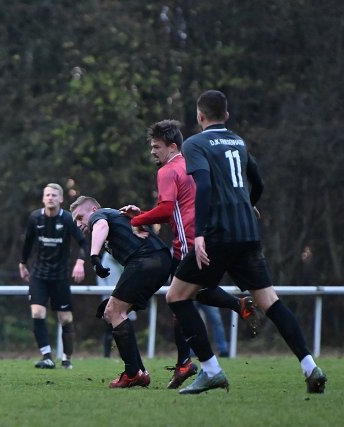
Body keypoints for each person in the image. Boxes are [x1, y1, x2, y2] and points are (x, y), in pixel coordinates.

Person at [165, 90, 326, 394]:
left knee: (176, 297)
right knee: (270, 302)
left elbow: (205, 187)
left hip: (218, 234)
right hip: (247, 233)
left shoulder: (195, 144)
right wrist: (248, 204)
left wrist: (200, 234)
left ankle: (211, 370)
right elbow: (259, 182)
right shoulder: (238, 142)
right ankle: (310, 366)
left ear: (200, 116)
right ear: (226, 115)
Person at [121, 119, 257, 388]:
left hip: (188, 244)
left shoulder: (168, 171)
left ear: (172, 147)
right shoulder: (195, 164)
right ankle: (236, 307)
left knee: (179, 299)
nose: (152, 152)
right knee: (191, 295)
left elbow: (166, 209)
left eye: (156, 146)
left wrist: (136, 220)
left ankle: (188, 362)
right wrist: (143, 215)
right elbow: (176, 208)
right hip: (210, 237)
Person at [70, 196, 172, 388]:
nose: (78, 224)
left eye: (80, 217)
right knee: (114, 312)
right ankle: (139, 372)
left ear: (93, 210)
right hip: (160, 261)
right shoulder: (115, 218)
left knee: (113, 312)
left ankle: (132, 373)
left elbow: (100, 225)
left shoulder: (100, 215)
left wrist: (94, 257)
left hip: (146, 260)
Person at [19, 183, 88, 369]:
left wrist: (80, 262)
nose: (50, 198)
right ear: (43, 199)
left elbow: (83, 243)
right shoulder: (35, 218)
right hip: (39, 274)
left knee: (65, 318)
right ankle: (47, 356)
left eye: (54, 195)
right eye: (47, 195)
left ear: (61, 199)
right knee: (37, 312)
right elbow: (28, 242)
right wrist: (22, 263)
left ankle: (67, 358)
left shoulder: (67, 219)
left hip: (60, 276)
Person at [95, 252, 132, 358]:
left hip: (126, 299)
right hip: (110, 299)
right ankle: (106, 355)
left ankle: (125, 355)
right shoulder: (107, 258)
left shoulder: (129, 257)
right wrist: (107, 297)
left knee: (126, 329)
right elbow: (101, 279)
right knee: (109, 330)